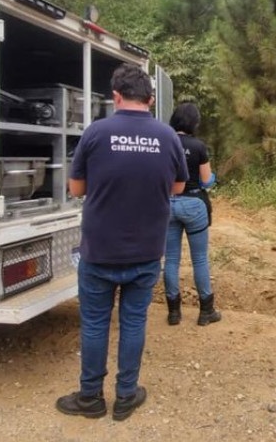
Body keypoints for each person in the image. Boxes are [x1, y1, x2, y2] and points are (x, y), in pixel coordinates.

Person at [56, 64, 188, 421]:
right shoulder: (168, 137)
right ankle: (126, 396)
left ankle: (90, 399)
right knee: (133, 323)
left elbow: (76, 189)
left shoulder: (97, 132)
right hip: (146, 250)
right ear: (150, 98)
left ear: (116, 96)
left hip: (100, 250)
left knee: (96, 324)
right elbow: (178, 187)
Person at [163, 102, 221, 327]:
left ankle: (174, 313)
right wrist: (211, 177)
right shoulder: (198, 146)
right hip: (194, 204)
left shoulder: (164, 142)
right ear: (194, 123)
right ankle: (206, 311)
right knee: (199, 259)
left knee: (171, 259)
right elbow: (206, 181)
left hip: (167, 204)